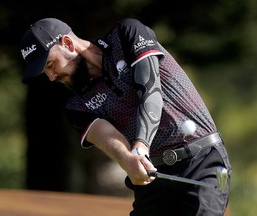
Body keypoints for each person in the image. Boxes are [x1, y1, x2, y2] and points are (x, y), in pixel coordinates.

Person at [20, 17, 232, 216]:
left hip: (200, 159)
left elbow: (150, 92)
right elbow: (105, 135)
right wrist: (127, 159)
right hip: (154, 177)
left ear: (67, 43)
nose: (51, 77)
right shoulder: (75, 104)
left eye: (49, 65)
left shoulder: (126, 35)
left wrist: (140, 147)